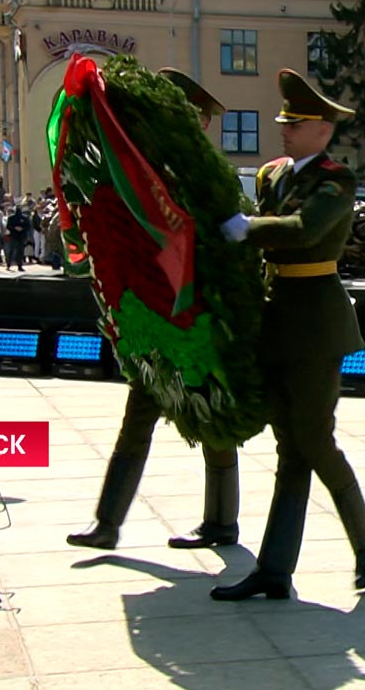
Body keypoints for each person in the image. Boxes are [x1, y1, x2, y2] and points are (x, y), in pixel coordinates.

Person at [213, 68, 365, 600]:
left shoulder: (337, 180)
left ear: (323, 132)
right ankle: (275, 569)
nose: (284, 128)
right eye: (284, 120)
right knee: (291, 446)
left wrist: (249, 228)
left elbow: (307, 229)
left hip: (316, 322)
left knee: (312, 440)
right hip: (277, 315)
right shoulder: (270, 176)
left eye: (297, 122)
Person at [67, 68, 242, 551]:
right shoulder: (139, 169)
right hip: (152, 316)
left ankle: (221, 522)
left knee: (212, 417)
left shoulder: (200, 174)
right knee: (138, 416)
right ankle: (107, 523)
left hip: (197, 319)